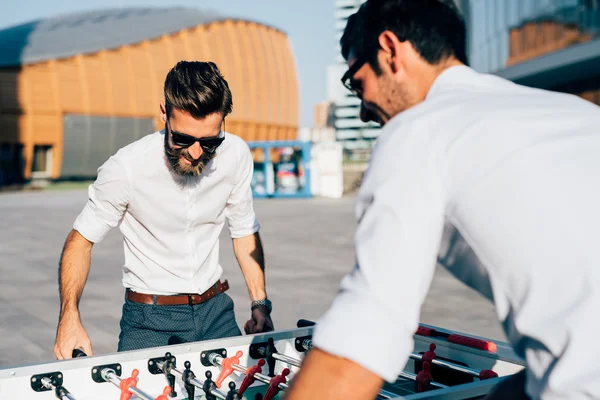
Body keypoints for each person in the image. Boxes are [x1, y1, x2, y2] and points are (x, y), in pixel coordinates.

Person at [284, 0, 600, 399]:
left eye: (356, 82)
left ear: (390, 51)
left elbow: (365, 336)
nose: (363, 112)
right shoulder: (575, 113)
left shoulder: (417, 132)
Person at [54, 61, 274, 359]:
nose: (196, 152)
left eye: (209, 142)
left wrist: (260, 303)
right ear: (163, 113)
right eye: (183, 139)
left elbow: (245, 230)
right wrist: (69, 317)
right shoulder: (126, 168)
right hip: (149, 320)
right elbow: (80, 242)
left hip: (216, 313)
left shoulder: (235, 154)